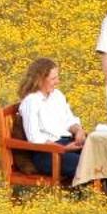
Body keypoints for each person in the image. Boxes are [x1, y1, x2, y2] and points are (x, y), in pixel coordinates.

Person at [14, 56, 86, 184]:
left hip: (68, 143)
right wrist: (63, 149)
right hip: (47, 153)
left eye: (57, 77)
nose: (57, 81)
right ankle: (99, 199)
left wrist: (78, 130)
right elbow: (35, 138)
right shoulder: (31, 102)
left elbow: (69, 120)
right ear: (40, 80)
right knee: (89, 164)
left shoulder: (57, 95)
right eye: (53, 78)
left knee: (103, 155)